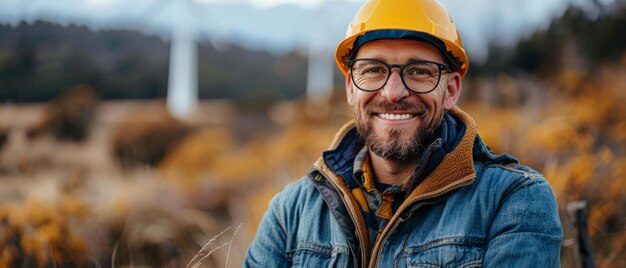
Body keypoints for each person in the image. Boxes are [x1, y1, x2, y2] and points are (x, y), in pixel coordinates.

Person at [244, 0, 563, 267]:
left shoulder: (514, 200)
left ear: (451, 90)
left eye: (419, 71)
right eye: (373, 70)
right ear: (350, 88)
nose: (394, 92)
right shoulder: (290, 212)